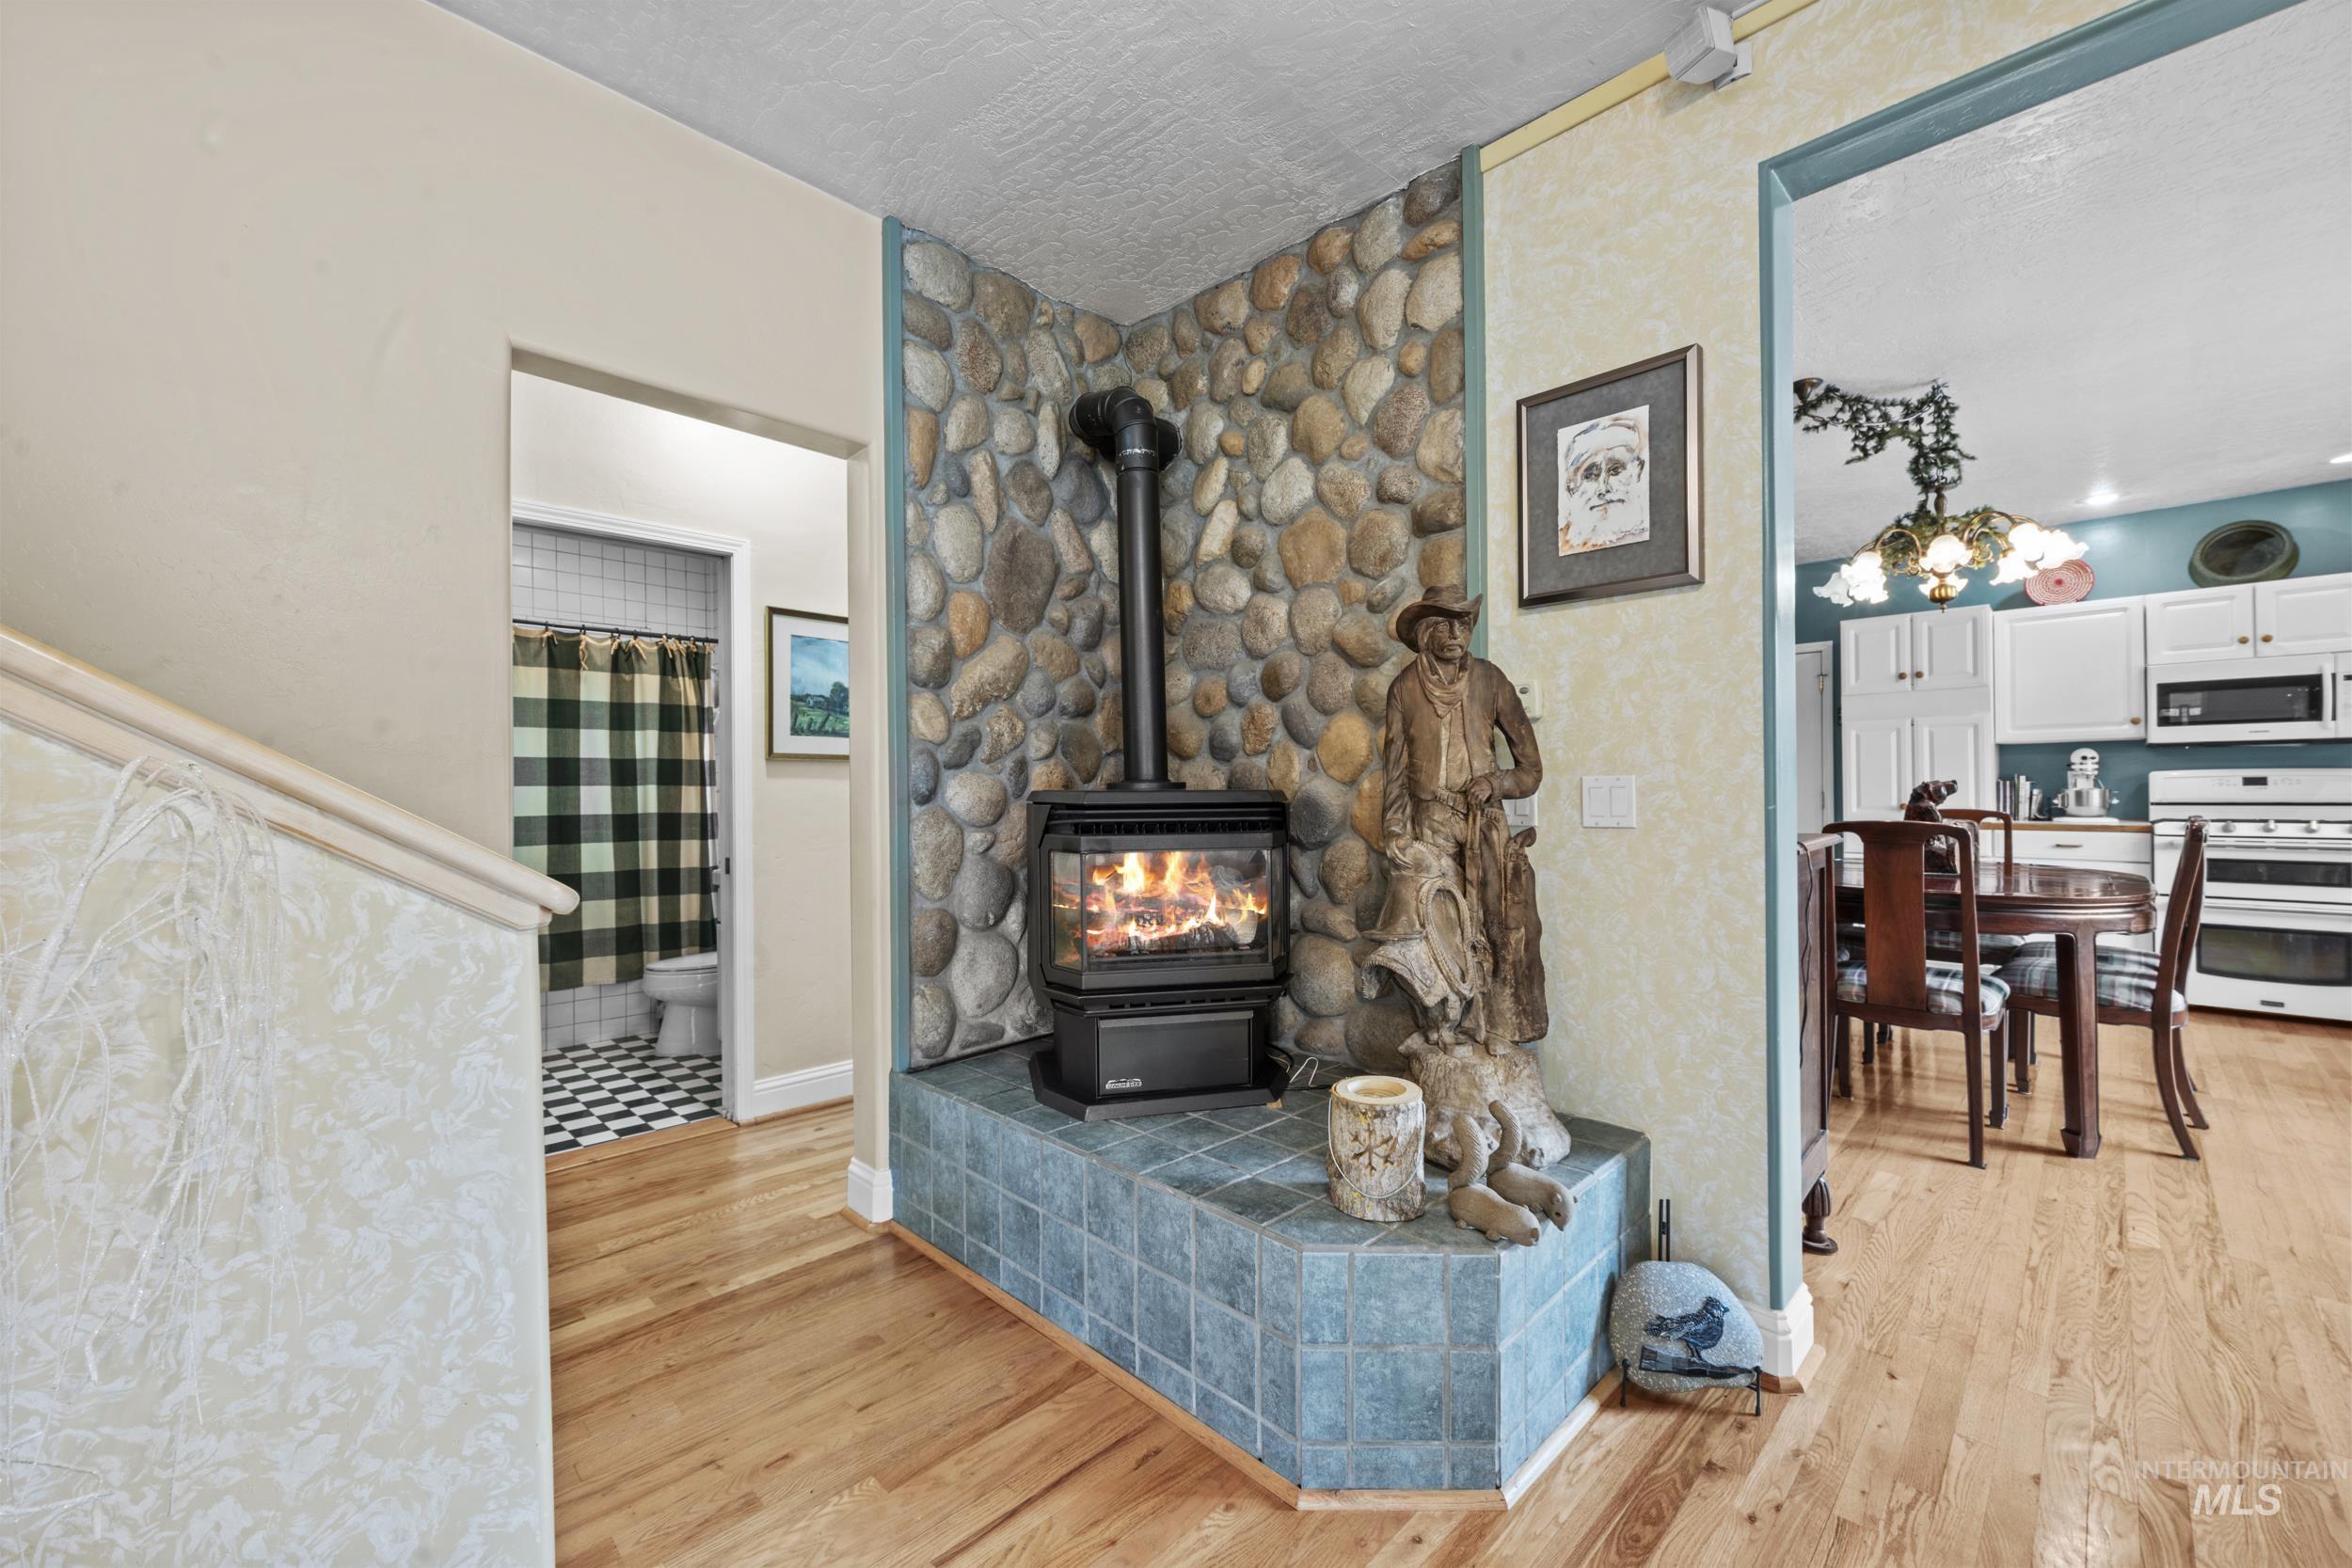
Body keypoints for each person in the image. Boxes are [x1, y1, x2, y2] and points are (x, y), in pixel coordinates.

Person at [1366, 585, 1549, 1047]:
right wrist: (1395, 833)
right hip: (1427, 827)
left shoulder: (1491, 681)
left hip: (1482, 824)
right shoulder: (1404, 688)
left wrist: (1496, 783)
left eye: (1463, 623)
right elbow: (1395, 774)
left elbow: (1531, 770)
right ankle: (1441, 1026)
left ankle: (1499, 1027)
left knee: (1496, 926)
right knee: (1430, 928)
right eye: (1443, 624)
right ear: (1424, 631)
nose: (1454, 633)